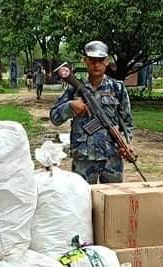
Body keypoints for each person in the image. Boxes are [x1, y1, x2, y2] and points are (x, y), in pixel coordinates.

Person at [50, 41, 134, 184]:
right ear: (85, 61)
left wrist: (126, 144)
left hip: (112, 158)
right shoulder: (74, 89)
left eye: (100, 60)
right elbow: (54, 118)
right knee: (83, 203)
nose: (96, 65)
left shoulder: (117, 88)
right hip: (84, 159)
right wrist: (70, 106)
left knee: (113, 202)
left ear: (107, 61)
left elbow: (127, 123)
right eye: (92, 60)